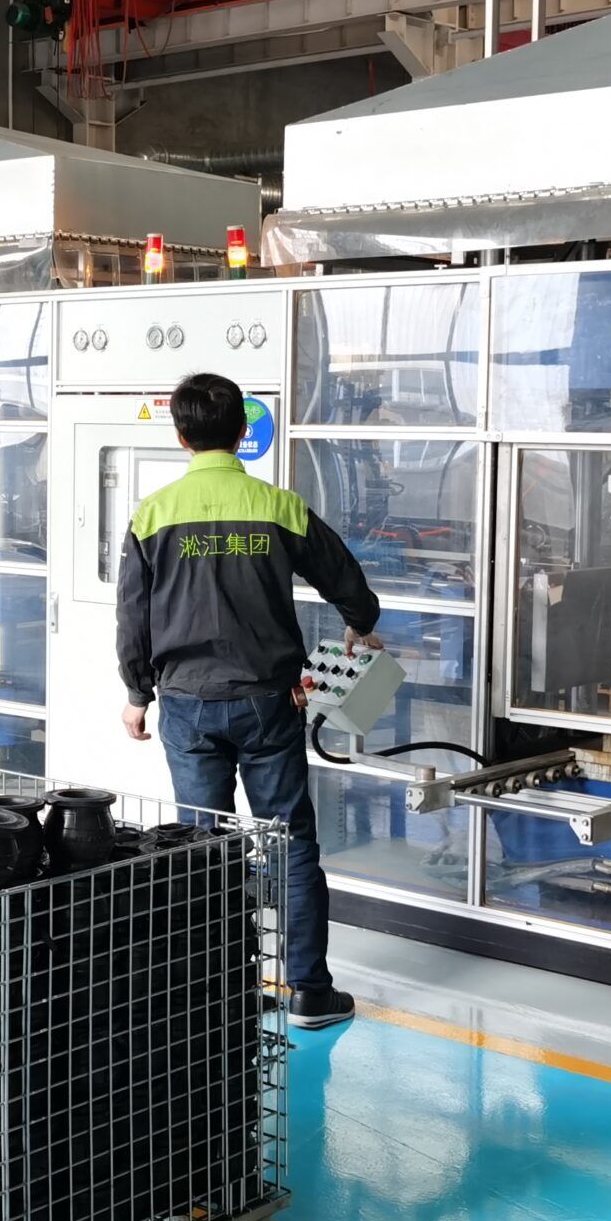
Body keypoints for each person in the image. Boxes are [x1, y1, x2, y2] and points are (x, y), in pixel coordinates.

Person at [115, 372, 383, 1030]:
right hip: (270, 702)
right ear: (242, 432)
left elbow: (132, 615)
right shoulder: (279, 506)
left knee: (202, 847)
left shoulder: (152, 515)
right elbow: (342, 573)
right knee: (290, 842)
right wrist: (359, 621)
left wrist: (136, 692)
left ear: (181, 437)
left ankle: (219, 996)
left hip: (186, 703)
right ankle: (310, 992)